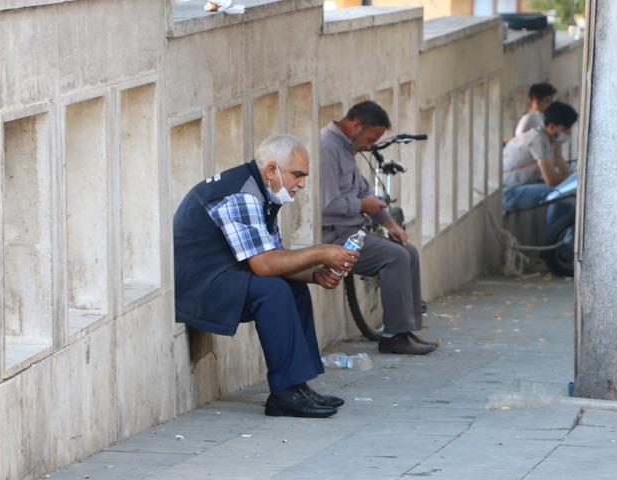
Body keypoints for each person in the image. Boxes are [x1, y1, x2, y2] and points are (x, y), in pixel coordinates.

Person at [174, 134, 360, 418]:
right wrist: (322, 252)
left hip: (223, 277)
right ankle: (284, 394)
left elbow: (276, 256)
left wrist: (315, 275)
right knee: (273, 290)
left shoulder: (262, 191)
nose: (302, 184)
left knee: (293, 288)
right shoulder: (242, 195)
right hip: (196, 290)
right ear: (272, 170)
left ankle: (297, 384)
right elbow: (264, 265)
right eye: (297, 175)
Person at [320, 101, 437, 356]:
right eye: (371, 138)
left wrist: (391, 225)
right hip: (334, 235)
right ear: (355, 125)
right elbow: (327, 205)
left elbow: (364, 191)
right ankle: (393, 337)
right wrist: (363, 205)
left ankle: (406, 330)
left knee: (408, 251)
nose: (370, 145)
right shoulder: (328, 147)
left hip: (353, 230)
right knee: (395, 257)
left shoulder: (348, 148)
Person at [502, 101, 578, 213]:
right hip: (508, 193)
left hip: (522, 187)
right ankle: (555, 226)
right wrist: (574, 183)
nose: (569, 133)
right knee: (561, 193)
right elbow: (551, 180)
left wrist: (570, 180)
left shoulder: (550, 142)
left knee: (567, 190)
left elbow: (564, 173)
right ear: (552, 126)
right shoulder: (537, 139)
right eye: (566, 128)